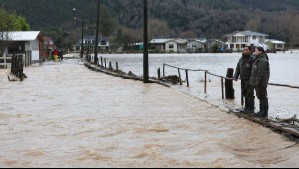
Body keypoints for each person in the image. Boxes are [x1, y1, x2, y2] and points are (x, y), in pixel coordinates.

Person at [234, 46, 255, 114]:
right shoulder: (241, 59)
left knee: (250, 94)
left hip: (249, 79)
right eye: (244, 50)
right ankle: (246, 108)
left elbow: (254, 70)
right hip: (243, 79)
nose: (244, 51)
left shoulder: (253, 58)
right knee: (245, 93)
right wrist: (236, 76)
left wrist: (253, 79)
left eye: (246, 50)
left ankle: (251, 109)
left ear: (250, 51)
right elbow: (238, 68)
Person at [250, 47, 270, 118]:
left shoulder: (262, 60)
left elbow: (261, 72)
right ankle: (261, 111)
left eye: (256, 50)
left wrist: (257, 81)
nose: (254, 52)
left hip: (260, 82)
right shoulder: (258, 58)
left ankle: (264, 112)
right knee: (260, 96)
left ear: (260, 52)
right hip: (257, 81)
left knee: (263, 96)